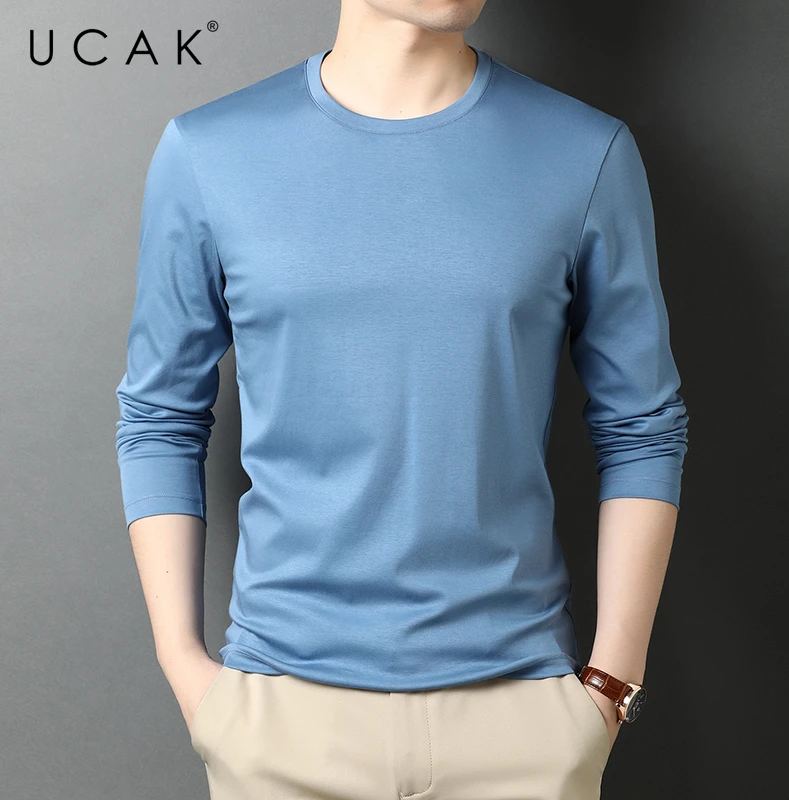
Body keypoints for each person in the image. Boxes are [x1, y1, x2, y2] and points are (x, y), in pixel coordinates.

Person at [114, 1, 689, 798]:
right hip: (280, 721)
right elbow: (160, 417)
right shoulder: (209, 151)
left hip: (522, 726)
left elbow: (642, 428)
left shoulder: (585, 152)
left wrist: (609, 688)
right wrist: (185, 668)